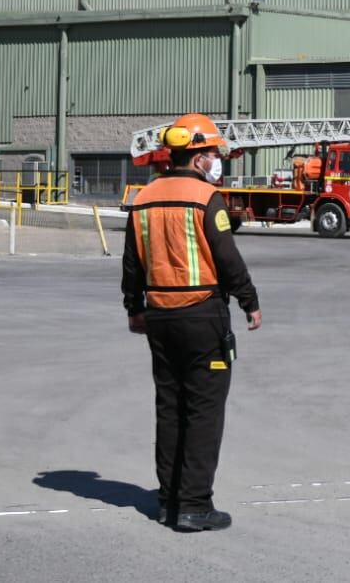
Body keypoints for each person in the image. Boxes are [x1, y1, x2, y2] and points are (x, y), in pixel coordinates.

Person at [122, 113, 262, 532]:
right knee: (203, 410)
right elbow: (226, 257)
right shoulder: (206, 198)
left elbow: (132, 261)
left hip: (160, 316)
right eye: (212, 153)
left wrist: (134, 307)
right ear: (197, 157)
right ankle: (195, 505)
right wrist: (249, 300)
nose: (216, 160)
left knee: (169, 407)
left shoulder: (144, 197)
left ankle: (168, 500)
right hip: (202, 314)